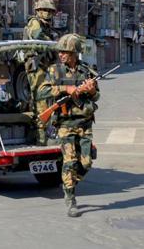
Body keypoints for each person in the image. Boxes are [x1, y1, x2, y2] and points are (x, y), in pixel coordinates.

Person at [37, 34, 100, 218]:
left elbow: (97, 97)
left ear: (74, 53)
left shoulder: (87, 72)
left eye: (65, 52)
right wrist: (66, 89)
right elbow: (42, 91)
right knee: (69, 161)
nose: (62, 55)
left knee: (86, 163)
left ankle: (69, 182)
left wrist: (92, 90)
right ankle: (70, 198)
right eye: (61, 52)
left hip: (85, 123)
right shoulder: (54, 71)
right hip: (65, 124)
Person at [24, 0, 60, 145]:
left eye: (50, 11)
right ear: (38, 10)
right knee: (41, 101)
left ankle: (45, 135)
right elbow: (39, 38)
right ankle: (41, 139)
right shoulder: (34, 23)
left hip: (46, 67)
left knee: (51, 100)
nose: (47, 13)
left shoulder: (48, 27)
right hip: (36, 67)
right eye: (44, 10)